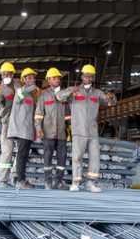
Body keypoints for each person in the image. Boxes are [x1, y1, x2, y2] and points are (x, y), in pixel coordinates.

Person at [68, 64, 117, 193]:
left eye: (90, 76)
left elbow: (110, 103)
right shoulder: (75, 91)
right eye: (86, 76)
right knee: (77, 157)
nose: (88, 78)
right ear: (82, 76)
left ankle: (91, 183)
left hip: (92, 131)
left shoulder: (98, 93)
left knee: (94, 157)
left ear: (93, 78)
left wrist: (112, 96)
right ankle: (75, 182)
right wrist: (70, 91)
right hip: (78, 130)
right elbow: (59, 97)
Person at [36, 68, 70, 189]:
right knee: (47, 157)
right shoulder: (44, 95)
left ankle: (59, 181)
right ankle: (48, 182)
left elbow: (67, 115)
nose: (57, 80)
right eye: (54, 78)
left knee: (62, 157)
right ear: (49, 80)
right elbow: (39, 114)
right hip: (48, 132)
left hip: (61, 133)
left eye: (58, 78)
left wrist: (69, 129)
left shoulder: (64, 95)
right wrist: (38, 128)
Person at [8, 68, 39, 189]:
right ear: (24, 79)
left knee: (24, 155)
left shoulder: (31, 96)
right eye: (30, 78)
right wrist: (34, 87)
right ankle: (20, 180)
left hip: (27, 129)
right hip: (21, 129)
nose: (33, 80)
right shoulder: (20, 91)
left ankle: (19, 178)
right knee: (21, 154)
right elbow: (22, 94)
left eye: (33, 77)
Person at [0, 63, 17, 187]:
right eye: (4, 73)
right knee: (7, 152)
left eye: (9, 73)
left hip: (20, 124)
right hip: (7, 123)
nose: (6, 75)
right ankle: (3, 180)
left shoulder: (18, 85)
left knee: (20, 152)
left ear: (13, 74)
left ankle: (16, 178)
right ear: (1, 75)